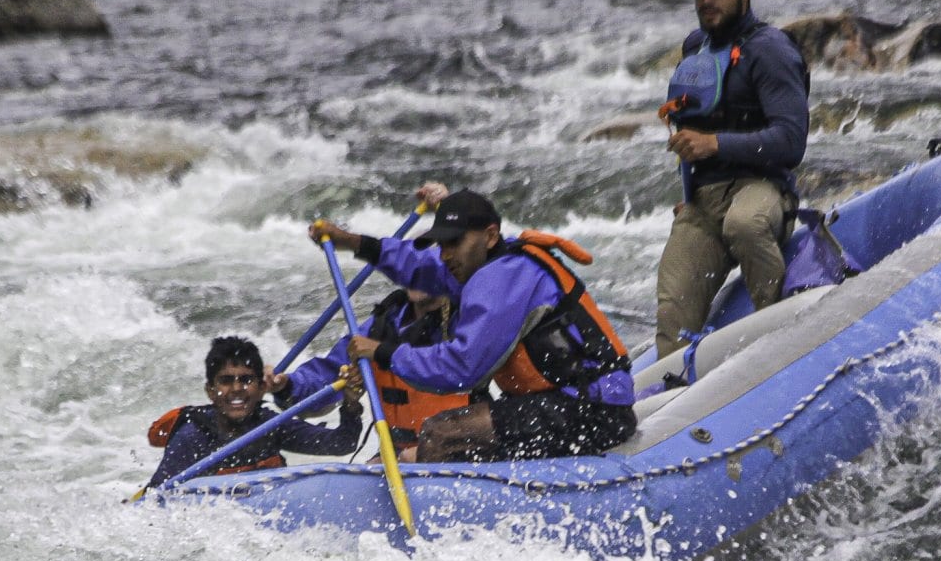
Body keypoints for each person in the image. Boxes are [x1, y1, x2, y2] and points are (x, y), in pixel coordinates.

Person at [321, 189, 638, 463]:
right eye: (441, 245)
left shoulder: (505, 278)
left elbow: (461, 369)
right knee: (461, 437)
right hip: (558, 402)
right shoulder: (485, 263)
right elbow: (421, 267)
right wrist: (355, 243)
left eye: (453, 243)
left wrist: (383, 352)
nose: (445, 255)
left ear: (490, 235)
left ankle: (439, 522)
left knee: (440, 432)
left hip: (593, 410)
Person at [655, 0, 811, 359]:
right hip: (705, 202)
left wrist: (714, 145)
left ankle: (780, 339)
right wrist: (688, 200)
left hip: (761, 190)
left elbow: (791, 141)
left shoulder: (771, 52)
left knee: (744, 223)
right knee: (672, 308)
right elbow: (689, 136)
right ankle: (675, 401)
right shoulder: (694, 48)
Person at [265, 183, 468, 449]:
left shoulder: (467, 316)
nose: (418, 277)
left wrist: (450, 207)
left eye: (426, 266)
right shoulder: (380, 325)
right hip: (399, 453)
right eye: (412, 266)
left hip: (460, 451)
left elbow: (488, 261)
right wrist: (286, 386)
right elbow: (326, 382)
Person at [144, 335, 362, 489]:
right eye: (226, 381)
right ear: (210, 391)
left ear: (261, 389)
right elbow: (157, 499)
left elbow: (342, 444)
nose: (237, 389)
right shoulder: (193, 437)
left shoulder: (271, 426)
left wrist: (351, 404)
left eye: (246, 380)